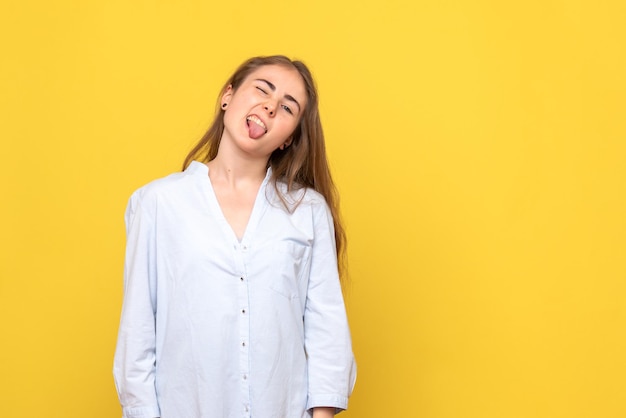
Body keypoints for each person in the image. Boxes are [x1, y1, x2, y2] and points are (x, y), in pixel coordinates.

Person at [113, 55, 356, 418]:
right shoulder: (157, 204)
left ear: (289, 139)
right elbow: (138, 331)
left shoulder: (307, 211)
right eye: (262, 89)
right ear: (228, 95)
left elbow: (327, 332)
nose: (270, 107)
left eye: (287, 108)